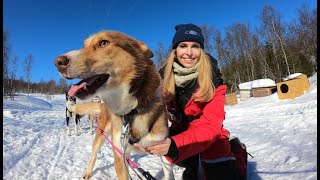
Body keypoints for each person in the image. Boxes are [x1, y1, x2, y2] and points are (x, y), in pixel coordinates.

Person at [134, 23, 239, 179]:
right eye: (183, 46)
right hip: (181, 132)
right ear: (176, 50)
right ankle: (191, 164)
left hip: (208, 135)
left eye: (195, 46)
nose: (189, 53)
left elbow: (211, 125)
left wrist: (175, 145)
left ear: (201, 50)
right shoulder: (161, 79)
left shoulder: (213, 79)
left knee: (222, 169)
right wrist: (139, 133)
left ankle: (230, 153)